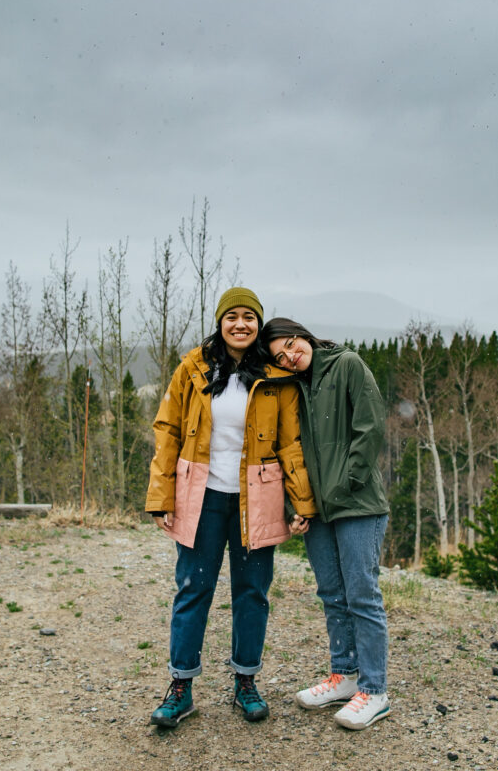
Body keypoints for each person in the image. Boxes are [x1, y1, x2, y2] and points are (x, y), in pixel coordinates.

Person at [145, 288, 317, 729]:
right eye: (232, 317)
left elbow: (290, 443)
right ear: (220, 322)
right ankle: (180, 688)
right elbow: (167, 430)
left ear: (259, 324)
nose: (241, 324)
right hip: (200, 496)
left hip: (257, 497)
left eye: (249, 317)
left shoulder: (277, 377)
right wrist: (161, 496)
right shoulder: (192, 367)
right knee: (193, 590)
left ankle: (246, 682)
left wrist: (302, 500)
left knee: (252, 592)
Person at [261, 317, 390, 731]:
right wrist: (295, 504)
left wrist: (347, 483)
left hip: (357, 504)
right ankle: (345, 675)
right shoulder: (292, 386)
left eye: (292, 345)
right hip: (317, 509)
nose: (291, 356)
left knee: (362, 595)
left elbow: (370, 428)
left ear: (304, 335)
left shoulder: (347, 365)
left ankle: (374, 690)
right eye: (281, 356)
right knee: (332, 594)